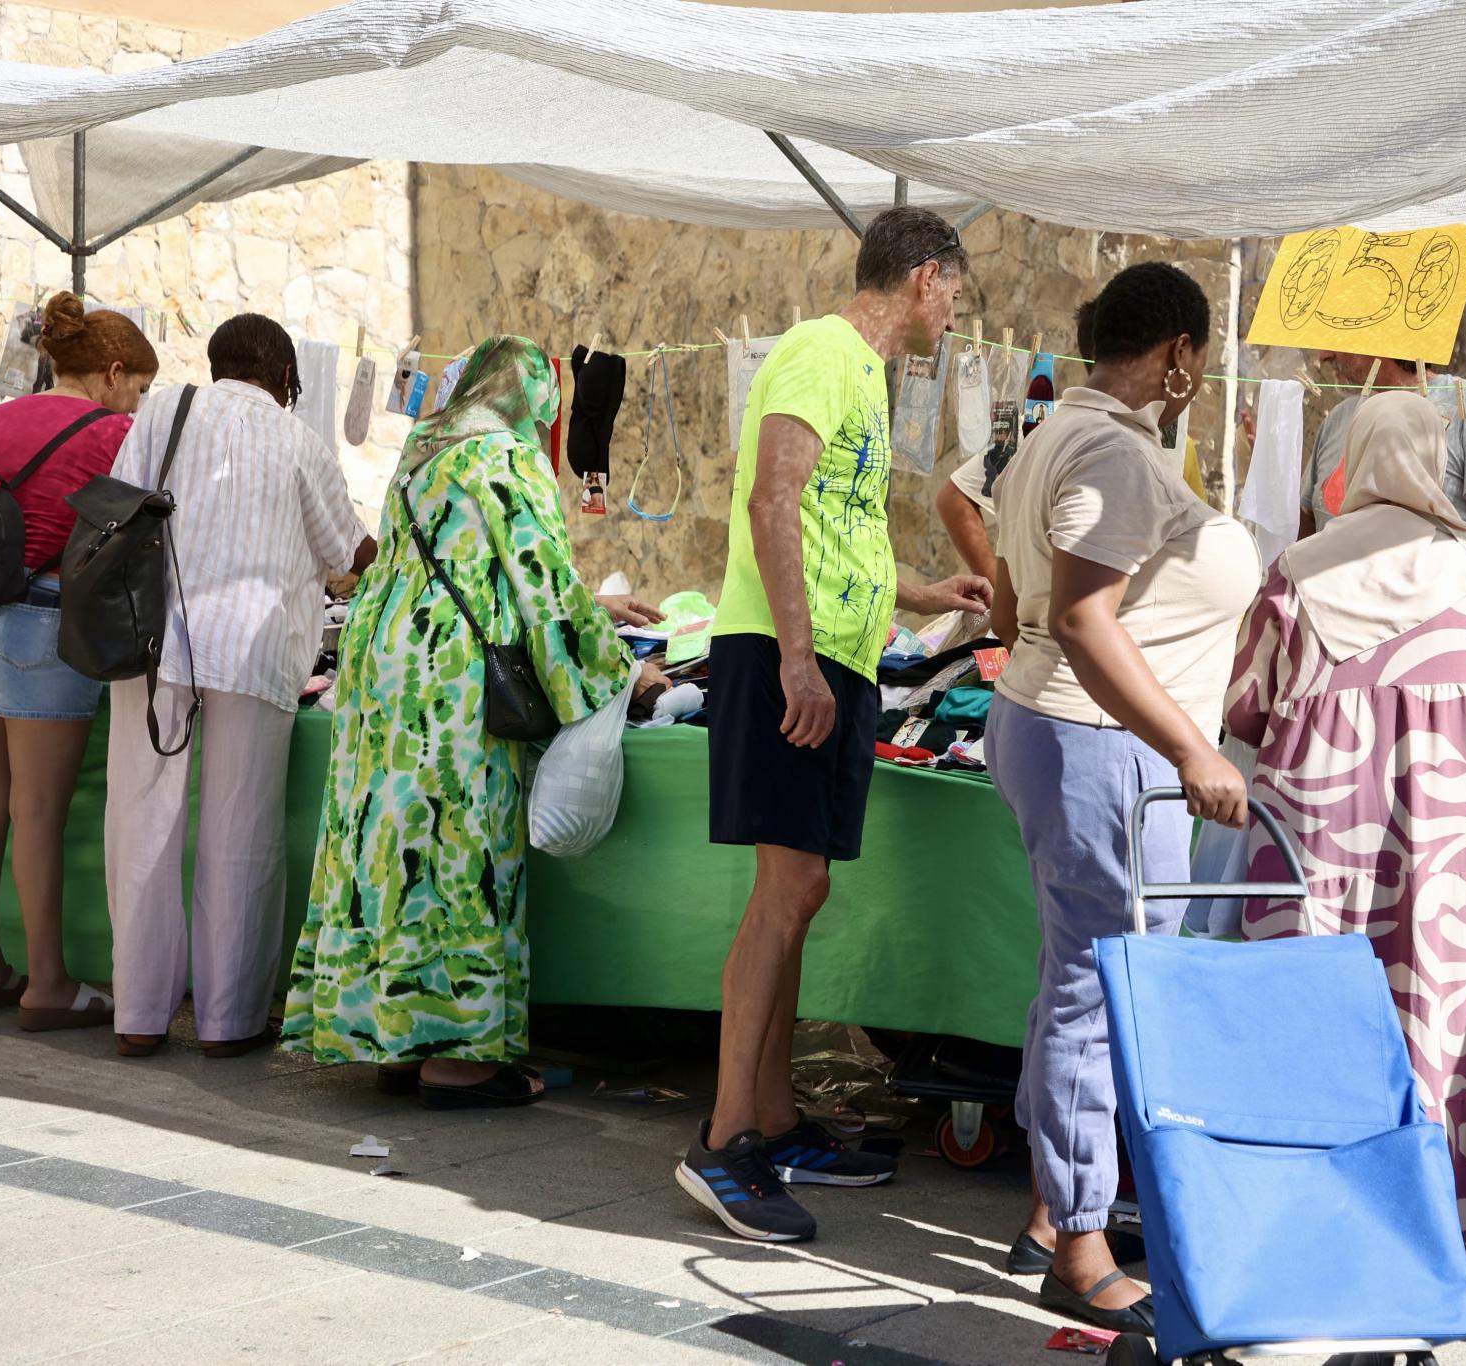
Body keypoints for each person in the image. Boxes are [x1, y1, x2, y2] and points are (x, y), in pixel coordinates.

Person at [679, 207, 992, 1242]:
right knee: (787, 890)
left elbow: (834, 529)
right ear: (924, 277)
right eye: (954, 290)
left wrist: (923, 589)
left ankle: (772, 1119)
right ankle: (725, 1142)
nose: (954, 312)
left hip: (836, 658)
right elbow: (772, 502)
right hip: (785, 655)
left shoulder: (863, 371)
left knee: (801, 891)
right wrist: (798, 659)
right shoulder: (821, 351)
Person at [1224, 391, 1466, 1297]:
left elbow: (1245, 713)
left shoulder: (1297, 571)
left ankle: (1316, 1243)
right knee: (1461, 1017)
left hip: (1321, 843)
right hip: (1457, 843)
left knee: (1316, 1016)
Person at [986, 262, 1260, 1335]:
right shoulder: (1105, 447)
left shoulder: (1058, 433)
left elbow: (1017, 603)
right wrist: (1192, 747)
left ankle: (1057, 1214)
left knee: (1079, 974)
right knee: (1095, 990)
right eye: (1204, 355)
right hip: (1096, 741)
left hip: (1059, 726)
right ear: (1178, 353)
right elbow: (1083, 616)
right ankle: (1080, 1237)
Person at [283, 336, 640, 1106]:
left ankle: (394, 1036)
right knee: (455, 849)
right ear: (535, 398)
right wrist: (624, 673)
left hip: (383, 668)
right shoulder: (508, 460)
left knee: (383, 843)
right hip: (451, 683)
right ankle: (458, 1057)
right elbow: (543, 588)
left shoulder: (425, 448)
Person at [105, 314, 375, 1059]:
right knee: (241, 830)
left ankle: (138, 1015)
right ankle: (226, 1023)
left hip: (154, 638)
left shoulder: (164, 409)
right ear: (286, 377)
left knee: (144, 819)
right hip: (255, 650)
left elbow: (117, 507)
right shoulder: (297, 441)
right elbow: (348, 551)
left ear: (218, 361)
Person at [0, 293, 155, 1030]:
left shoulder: (0, 417)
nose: (141, 401)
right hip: (43, 624)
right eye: (141, 387)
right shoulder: (116, 434)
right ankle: (49, 984)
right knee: (38, 811)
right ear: (113, 372)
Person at [938, 299, 1206, 582]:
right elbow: (955, 499)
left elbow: (1194, 541)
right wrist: (999, 592)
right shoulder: (1039, 425)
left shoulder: (1176, 444)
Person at [1295, 351, 1466, 606]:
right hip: (1339, 630)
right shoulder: (1337, 419)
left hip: (1437, 633)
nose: (1324, 356)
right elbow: (1309, 531)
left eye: (1337, 339)